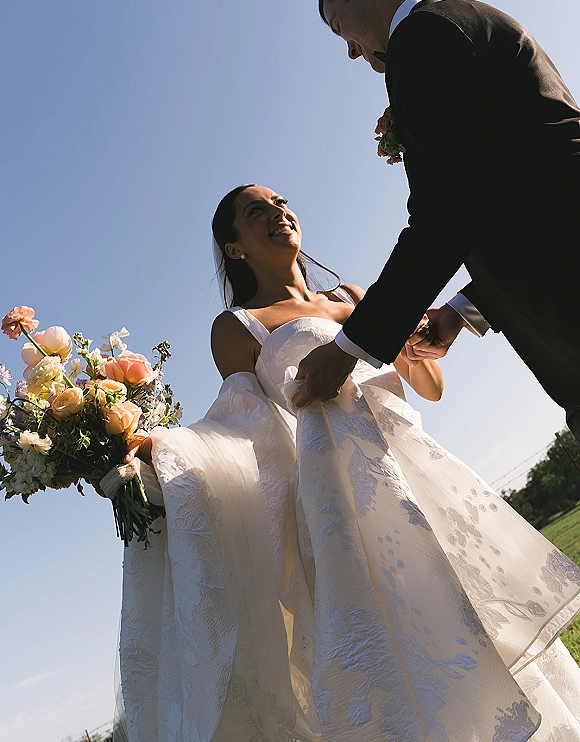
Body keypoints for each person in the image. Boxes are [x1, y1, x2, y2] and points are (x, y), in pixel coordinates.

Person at [117, 184, 580, 742]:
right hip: (337, 494)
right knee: (397, 633)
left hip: (411, 468)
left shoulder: (352, 295)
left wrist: (409, 341)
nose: (278, 214)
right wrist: (163, 448)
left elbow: (427, 385)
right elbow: (241, 427)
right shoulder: (239, 326)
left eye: (281, 203)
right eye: (255, 211)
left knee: (471, 612)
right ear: (233, 248)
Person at [293, 0, 580, 446]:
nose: (353, 52)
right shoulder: (461, 25)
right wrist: (459, 313)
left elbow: (442, 218)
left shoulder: (424, 40)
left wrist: (348, 350)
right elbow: (513, 204)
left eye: (341, 28)